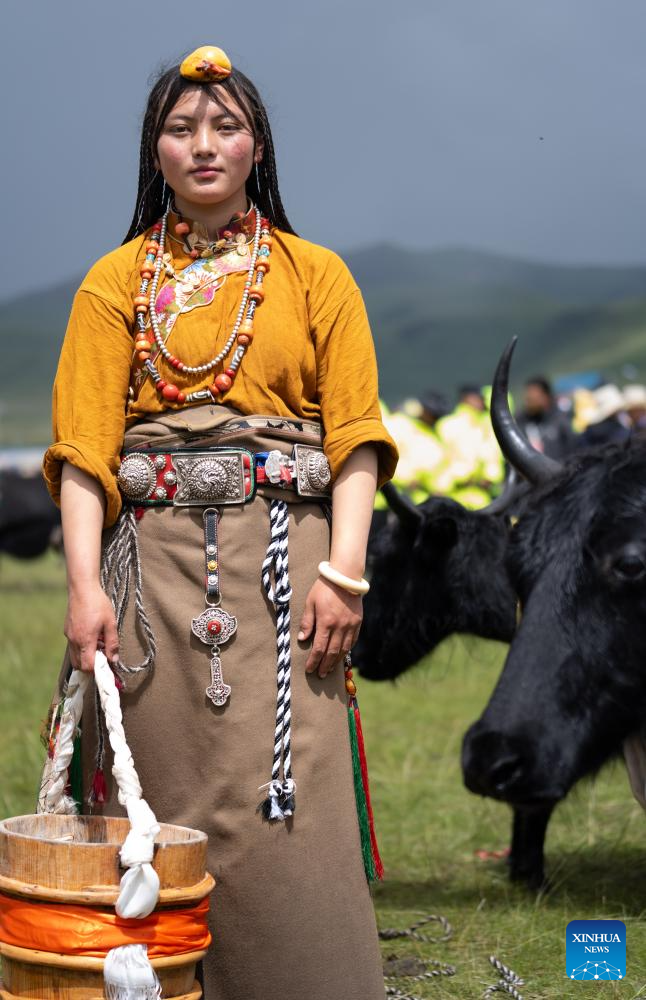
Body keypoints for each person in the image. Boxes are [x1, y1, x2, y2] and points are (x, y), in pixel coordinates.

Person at [41, 46, 398, 1000]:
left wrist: (347, 571)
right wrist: (83, 590)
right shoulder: (112, 285)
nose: (205, 145)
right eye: (182, 127)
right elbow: (83, 453)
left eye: (225, 125)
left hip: (293, 572)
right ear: (154, 149)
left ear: (256, 145)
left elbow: (356, 438)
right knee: (160, 793)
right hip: (145, 579)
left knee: (291, 801)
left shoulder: (316, 275)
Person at [516, 376, 578, 460]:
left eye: (533, 399)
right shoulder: (522, 421)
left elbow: (574, 448)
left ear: (545, 397)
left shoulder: (561, 419)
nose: (528, 403)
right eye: (527, 399)